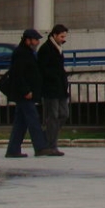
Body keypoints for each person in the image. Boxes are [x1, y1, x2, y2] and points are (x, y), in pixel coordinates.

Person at [5, 29, 62, 158]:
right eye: (35, 40)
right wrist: (26, 91)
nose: (37, 42)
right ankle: (40, 147)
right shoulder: (21, 53)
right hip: (24, 94)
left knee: (21, 122)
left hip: (27, 93)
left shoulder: (27, 52)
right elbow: (18, 74)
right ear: (28, 40)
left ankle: (13, 150)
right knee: (33, 119)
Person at [38, 24, 69, 155]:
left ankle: (49, 137)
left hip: (60, 89)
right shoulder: (46, 49)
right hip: (50, 89)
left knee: (64, 114)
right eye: (62, 36)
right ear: (54, 35)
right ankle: (51, 145)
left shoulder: (58, 49)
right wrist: (54, 78)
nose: (63, 39)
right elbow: (43, 69)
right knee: (52, 116)